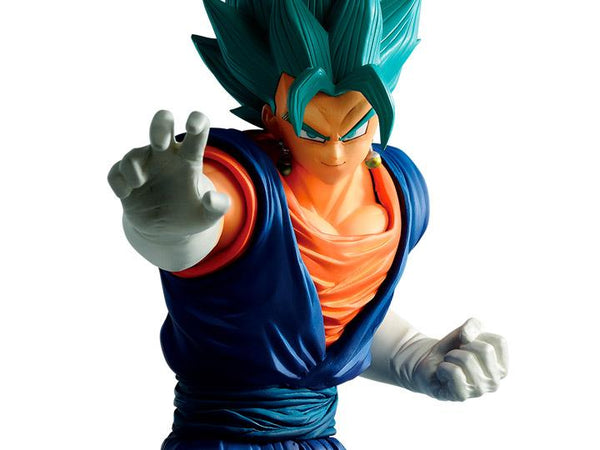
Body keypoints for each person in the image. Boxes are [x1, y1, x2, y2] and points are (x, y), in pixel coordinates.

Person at [108, 1, 508, 449]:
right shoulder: (244, 185)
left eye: (354, 127)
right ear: (272, 119)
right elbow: (201, 219)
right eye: (313, 131)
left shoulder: (401, 192)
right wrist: (162, 225)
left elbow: (329, 321)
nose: (335, 152)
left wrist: (414, 356)